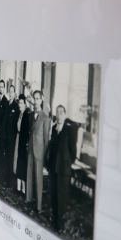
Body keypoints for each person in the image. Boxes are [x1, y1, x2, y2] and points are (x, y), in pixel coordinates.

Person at [46, 104, 82, 232]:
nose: (59, 115)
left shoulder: (70, 129)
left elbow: (73, 150)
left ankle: (60, 223)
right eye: (57, 112)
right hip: (53, 168)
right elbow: (51, 147)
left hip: (63, 169)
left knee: (62, 196)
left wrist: (68, 163)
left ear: (65, 114)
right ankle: (55, 218)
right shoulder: (54, 128)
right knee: (54, 194)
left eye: (62, 112)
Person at [26, 90, 51, 210]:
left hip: (40, 152)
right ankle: (29, 199)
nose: (35, 101)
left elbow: (46, 139)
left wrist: (46, 156)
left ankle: (39, 206)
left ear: (41, 100)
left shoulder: (46, 118)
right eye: (34, 99)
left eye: (37, 99)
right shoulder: (31, 115)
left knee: (38, 179)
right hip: (31, 149)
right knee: (29, 175)